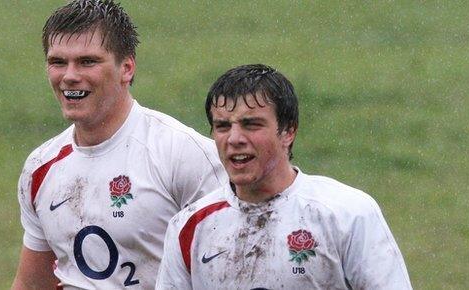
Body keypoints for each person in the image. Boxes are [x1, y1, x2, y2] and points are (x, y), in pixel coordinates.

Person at [11, 1, 229, 289]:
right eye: (58, 62)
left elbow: (232, 269)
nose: (70, 76)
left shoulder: (182, 154)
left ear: (126, 68)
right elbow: (31, 284)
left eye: (88, 61)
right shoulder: (40, 167)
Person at [156, 64, 412, 289]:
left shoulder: (347, 214)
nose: (234, 139)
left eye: (251, 124)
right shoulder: (189, 226)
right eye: (223, 126)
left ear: (288, 131)